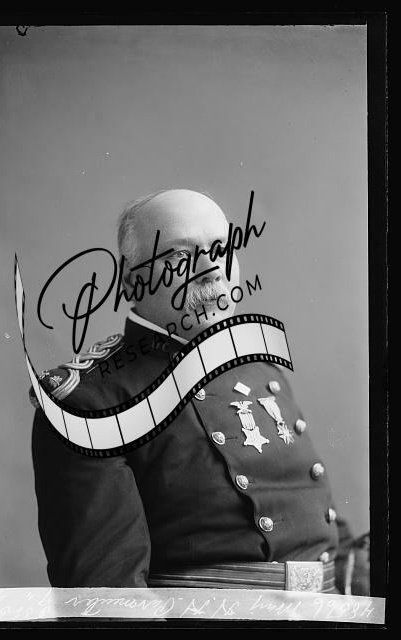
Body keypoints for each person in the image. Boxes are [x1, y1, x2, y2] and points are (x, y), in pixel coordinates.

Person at [31, 189, 368, 594]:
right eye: (179, 255)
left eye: (222, 248)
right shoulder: (90, 404)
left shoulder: (258, 367)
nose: (211, 269)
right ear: (131, 280)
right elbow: (111, 596)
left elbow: (322, 534)